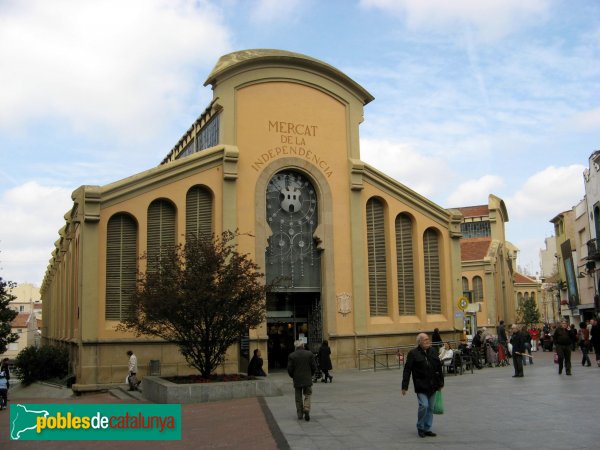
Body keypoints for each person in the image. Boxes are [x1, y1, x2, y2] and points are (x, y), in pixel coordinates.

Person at [402, 333, 444, 438]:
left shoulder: (433, 351)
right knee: (424, 406)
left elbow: (438, 368)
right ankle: (420, 427)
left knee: (430, 408)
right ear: (419, 342)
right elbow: (407, 370)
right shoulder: (413, 353)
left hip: (433, 385)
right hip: (421, 386)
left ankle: (427, 428)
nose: (427, 341)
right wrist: (404, 386)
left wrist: (441, 382)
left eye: (428, 339)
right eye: (425, 340)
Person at [287, 340, 317, 421]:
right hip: (307, 378)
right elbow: (314, 366)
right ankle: (306, 408)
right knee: (307, 394)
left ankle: (300, 413)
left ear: (296, 347)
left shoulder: (292, 355)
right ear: (303, 345)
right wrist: (311, 374)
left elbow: (289, 369)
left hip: (297, 379)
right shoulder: (309, 354)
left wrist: (292, 376)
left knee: (298, 396)